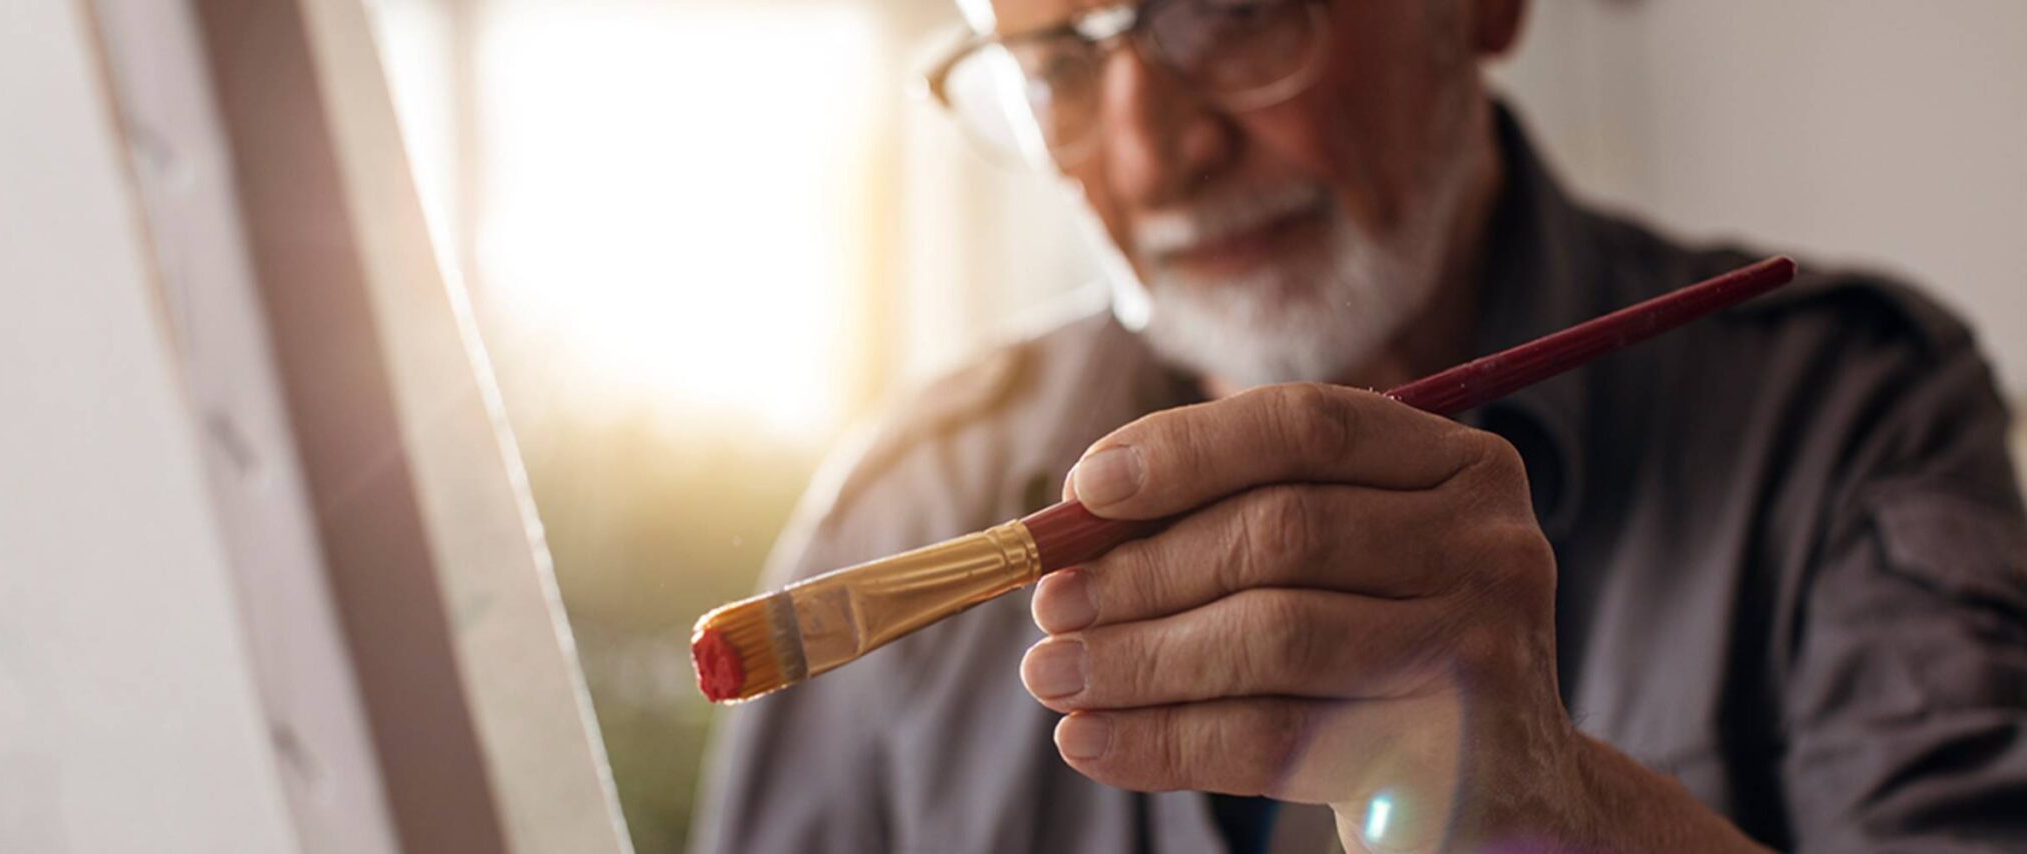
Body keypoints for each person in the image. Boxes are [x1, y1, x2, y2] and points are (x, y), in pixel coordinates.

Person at [694, 0, 2027, 850]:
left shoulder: (1843, 413)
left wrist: (1570, 810)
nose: (1151, 153)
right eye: (1054, 60)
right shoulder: (905, 497)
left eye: (1226, 13)